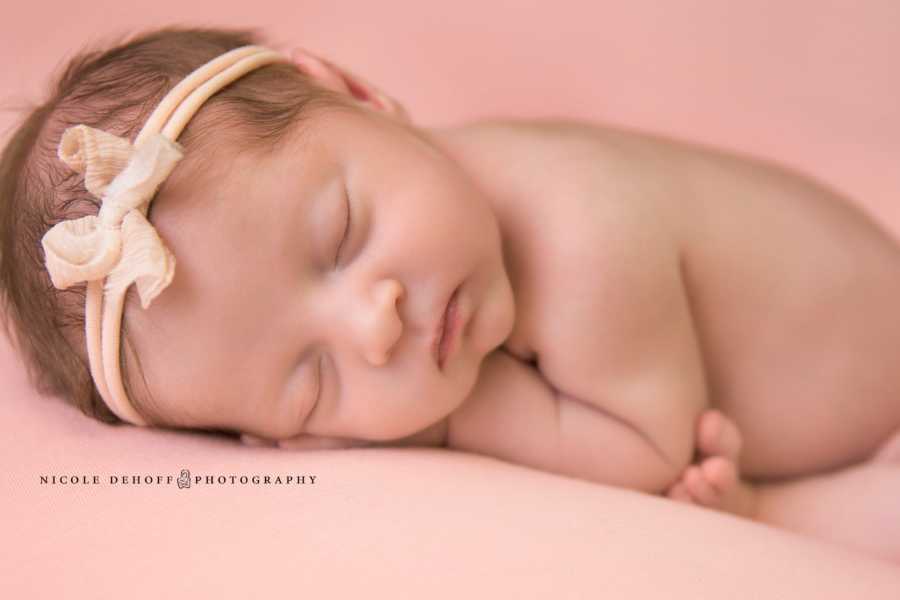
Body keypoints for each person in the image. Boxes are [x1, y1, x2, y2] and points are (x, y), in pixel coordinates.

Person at [1, 26, 897, 564]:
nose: (374, 326)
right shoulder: (441, 217)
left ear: (355, 93)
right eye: (313, 380)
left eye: (342, 236)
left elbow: (647, 452)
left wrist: (447, 420)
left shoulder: (579, 222)